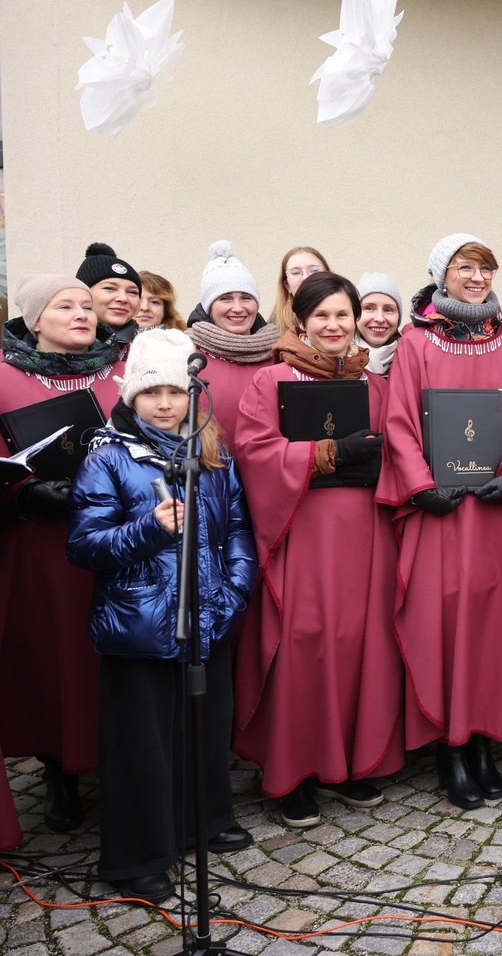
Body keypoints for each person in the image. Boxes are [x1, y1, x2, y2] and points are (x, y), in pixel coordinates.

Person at [68, 328, 257, 903]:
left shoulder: (212, 454)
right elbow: (85, 545)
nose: (167, 404)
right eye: (153, 393)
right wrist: (149, 529)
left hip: (208, 615)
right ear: (132, 397)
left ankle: (203, 820)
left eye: (177, 391)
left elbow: (238, 529)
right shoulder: (109, 458)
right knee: (142, 744)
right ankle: (138, 857)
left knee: (205, 725)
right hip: (141, 624)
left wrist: (235, 591)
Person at [377, 234, 502, 809]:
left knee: (491, 624)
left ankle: (485, 740)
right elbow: (399, 421)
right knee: (444, 622)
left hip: (495, 514)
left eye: (485, 268)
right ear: (441, 275)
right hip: (441, 512)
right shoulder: (415, 343)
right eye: (464, 267)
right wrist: (421, 486)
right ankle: (449, 747)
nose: (477, 277)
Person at [231, 272, 402, 827]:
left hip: (366, 533)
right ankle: (294, 771)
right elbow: (254, 452)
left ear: (357, 321)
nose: (334, 325)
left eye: (342, 315)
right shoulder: (272, 379)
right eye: (321, 316)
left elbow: (400, 448)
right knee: (302, 642)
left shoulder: (375, 384)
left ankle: (349, 763)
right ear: (301, 321)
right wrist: (329, 451)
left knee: (358, 642)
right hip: (301, 531)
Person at [0, 276, 124, 834]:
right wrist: (25, 494)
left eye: (86, 305)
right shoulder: (4, 377)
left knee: (110, 654)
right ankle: (59, 771)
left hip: (118, 539)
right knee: (55, 657)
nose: (82, 313)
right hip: (45, 546)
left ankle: (122, 762)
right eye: (64, 305)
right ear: (33, 320)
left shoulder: (122, 370)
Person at [185, 242, 283, 442]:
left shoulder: (279, 353)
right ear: (209, 307)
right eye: (226, 299)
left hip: (266, 460)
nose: (238, 308)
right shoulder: (185, 353)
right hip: (207, 461)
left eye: (246, 298)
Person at [76, 242, 143, 352]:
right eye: (110, 288)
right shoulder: (56, 345)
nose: (123, 298)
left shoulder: (151, 349)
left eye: (132, 292)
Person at [269, 246, 329, 336]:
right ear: (287, 285)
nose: (305, 277)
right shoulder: (271, 334)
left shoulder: (347, 321)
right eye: (296, 272)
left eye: (314, 271)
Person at [356, 272, 404, 376]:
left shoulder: (410, 356)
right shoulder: (337, 358)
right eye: (369, 308)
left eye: (388, 310)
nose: (380, 319)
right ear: (355, 314)